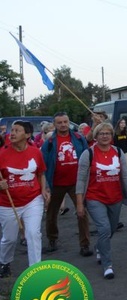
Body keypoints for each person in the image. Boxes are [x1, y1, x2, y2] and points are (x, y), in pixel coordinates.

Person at [75, 122, 127, 280]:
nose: (104, 136)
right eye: (101, 133)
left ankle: (99, 247)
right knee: (103, 229)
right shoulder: (88, 154)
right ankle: (107, 264)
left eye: (108, 133)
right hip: (95, 197)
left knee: (111, 229)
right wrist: (80, 203)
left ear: (112, 136)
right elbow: (81, 180)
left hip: (115, 198)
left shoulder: (118, 152)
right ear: (95, 136)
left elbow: (125, 175)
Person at [0, 121, 51, 278]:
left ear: (27, 135)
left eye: (17, 130)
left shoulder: (35, 152)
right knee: (9, 238)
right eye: (12, 130)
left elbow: (41, 173)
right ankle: (4, 262)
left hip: (32, 199)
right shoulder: (2, 153)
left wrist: (43, 190)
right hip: (8, 203)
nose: (12, 133)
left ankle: (35, 270)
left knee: (33, 233)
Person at [40, 111, 93, 256]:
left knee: (82, 213)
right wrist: (45, 186)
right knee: (51, 214)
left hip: (76, 183)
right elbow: (43, 165)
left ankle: (85, 244)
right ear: (54, 124)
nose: (63, 125)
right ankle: (52, 240)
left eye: (65, 122)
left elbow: (88, 156)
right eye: (59, 122)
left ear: (69, 122)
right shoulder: (49, 143)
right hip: (56, 183)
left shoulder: (78, 138)